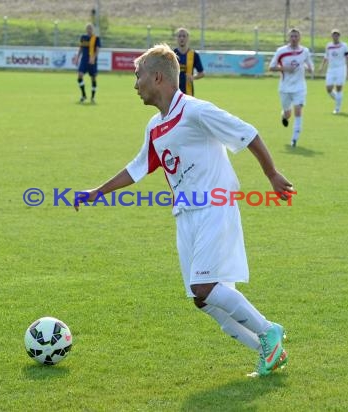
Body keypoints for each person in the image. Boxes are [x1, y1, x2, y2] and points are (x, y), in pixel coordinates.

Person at [74, 43, 294, 377]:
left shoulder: (195, 111)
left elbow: (247, 133)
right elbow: (138, 167)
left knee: (205, 288)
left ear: (157, 77)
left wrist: (272, 175)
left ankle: (268, 332)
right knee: (202, 298)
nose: (135, 84)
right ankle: (268, 351)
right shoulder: (155, 125)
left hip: (214, 206)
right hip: (185, 215)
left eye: (138, 76)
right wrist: (98, 192)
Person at [269, 28, 314, 148]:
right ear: (288, 38)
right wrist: (285, 69)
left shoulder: (305, 51)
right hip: (285, 87)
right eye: (292, 36)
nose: (294, 38)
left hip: (300, 87)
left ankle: (294, 139)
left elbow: (310, 65)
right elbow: (271, 67)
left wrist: (310, 68)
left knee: (298, 110)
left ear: (300, 38)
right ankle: (284, 116)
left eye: (296, 36)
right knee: (288, 113)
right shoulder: (281, 51)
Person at [320, 29, 348, 114]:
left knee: (338, 88)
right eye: (334, 35)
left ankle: (337, 108)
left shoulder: (344, 46)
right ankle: (338, 99)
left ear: (339, 36)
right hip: (331, 69)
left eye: (337, 35)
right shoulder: (328, 45)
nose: (335, 36)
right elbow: (326, 57)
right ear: (332, 36)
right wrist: (322, 66)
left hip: (341, 68)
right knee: (328, 89)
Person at [173, 28, 204, 95]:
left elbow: (201, 73)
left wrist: (193, 77)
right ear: (176, 38)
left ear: (188, 38)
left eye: (184, 36)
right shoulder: (171, 54)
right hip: (173, 93)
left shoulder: (194, 54)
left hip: (188, 93)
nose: (182, 38)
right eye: (179, 36)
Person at [76, 23, 101, 104]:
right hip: (84, 60)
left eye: (90, 28)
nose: (89, 30)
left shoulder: (96, 38)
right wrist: (77, 57)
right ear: (86, 29)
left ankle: (93, 97)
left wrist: (93, 58)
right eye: (88, 28)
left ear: (92, 29)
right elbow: (80, 48)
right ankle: (83, 95)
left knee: (93, 78)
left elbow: (97, 50)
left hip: (92, 61)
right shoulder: (83, 38)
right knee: (80, 75)